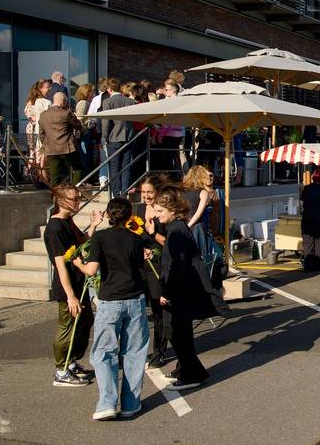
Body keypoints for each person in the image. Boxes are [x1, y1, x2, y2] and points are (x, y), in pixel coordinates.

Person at [71, 196, 149, 420]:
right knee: (134, 353)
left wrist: (78, 263)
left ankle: (107, 403)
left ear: (107, 214)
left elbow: (91, 270)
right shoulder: (136, 238)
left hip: (110, 299)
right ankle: (131, 403)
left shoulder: (101, 238)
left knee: (104, 352)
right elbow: (140, 268)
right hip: (135, 298)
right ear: (129, 216)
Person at [154, 185, 225, 391]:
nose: (157, 215)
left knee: (178, 332)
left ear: (172, 210)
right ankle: (185, 369)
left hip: (179, 291)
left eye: (160, 211)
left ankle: (192, 373)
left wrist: (166, 292)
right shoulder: (177, 227)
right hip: (181, 289)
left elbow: (178, 264)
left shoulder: (177, 230)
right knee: (178, 332)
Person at [44, 184, 103, 387]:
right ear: (61, 201)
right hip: (67, 285)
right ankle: (61, 371)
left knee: (85, 321)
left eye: (78, 198)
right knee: (67, 326)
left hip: (79, 281)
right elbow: (60, 265)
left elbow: (81, 245)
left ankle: (71, 362)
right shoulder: (55, 228)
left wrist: (93, 225)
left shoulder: (68, 221)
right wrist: (70, 296)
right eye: (74, 199)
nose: (78, 202)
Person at [139, 174, 172, 368]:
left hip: (158, 264)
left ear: (157, 191)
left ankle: (159, 350)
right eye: (143, 192)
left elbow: (169, 242)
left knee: (159, 309)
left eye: (149, 192)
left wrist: (153, 233)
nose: (146, 196)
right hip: (140, 265)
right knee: (137, 310)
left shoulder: (163, 212)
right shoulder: (138, 209)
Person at [100, 78, 135, 198]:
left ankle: (116, 193)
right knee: (126, 166)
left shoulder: (107, 102)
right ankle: (124, 191)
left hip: (113, 138)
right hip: (128, 137)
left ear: (109, 89)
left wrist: (104, 137)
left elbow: (106, 122)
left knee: (114, 166)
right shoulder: (130, 101)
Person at [40, 92, 84, 186]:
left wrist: (46, 144)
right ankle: (73, 189)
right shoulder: (66, 113)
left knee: (54, 177)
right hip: (67, 148)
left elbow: (42, 134)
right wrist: (73, 114)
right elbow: (78, 126)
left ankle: (55, 194)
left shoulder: (43, 115)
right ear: (63, 102)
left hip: (51, 149)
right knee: (79, 169)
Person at [300, 169, 320, 270]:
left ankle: (308, 265)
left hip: (307, 217)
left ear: (313, 177)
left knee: (307, 241)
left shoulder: (306, 188)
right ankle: (318, 265)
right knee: (319, 241)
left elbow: (301, 204)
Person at [24, 79, 52, 184]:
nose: (50, 89)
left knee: (40, 152)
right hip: (34, 129)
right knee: (34, 152)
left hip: (40, 129)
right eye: (47, 87)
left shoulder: (45, 101)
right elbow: (31, 117)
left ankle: (41, 176)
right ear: (40, 88)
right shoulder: (33, 101)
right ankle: (37, 176)